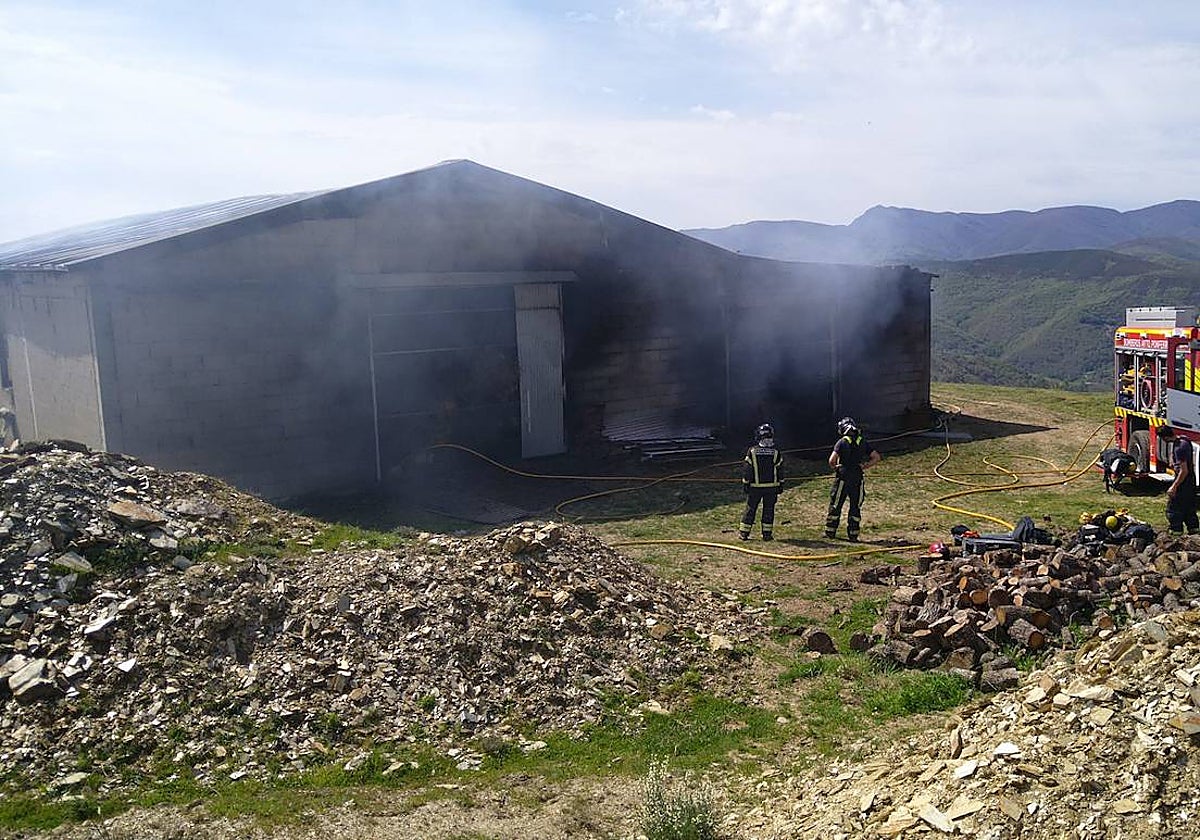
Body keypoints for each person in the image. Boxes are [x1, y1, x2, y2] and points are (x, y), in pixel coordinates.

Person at [824, 416, 881, 541]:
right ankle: (853, 534)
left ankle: (830, 532)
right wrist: (865, 466)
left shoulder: (842, 442)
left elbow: (831, 460)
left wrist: (836, 467)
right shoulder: (862, 441)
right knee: (855, 506)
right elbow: (876, 457)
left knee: (836, 504)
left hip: (843, 477)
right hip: (857, 477)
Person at [739, 423, 783, 541]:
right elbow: (780, 470)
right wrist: (781, 484)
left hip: (755, 487)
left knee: (750, 509)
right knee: (769, 510)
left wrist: (745, 483)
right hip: (771, 487)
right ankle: (767, 534)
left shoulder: (752, 451)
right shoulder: (776, 452)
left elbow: (747, 469)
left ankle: (744, 533)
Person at [1159, 426, 1198, 535]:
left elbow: (1183, 471)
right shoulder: (1184, 440)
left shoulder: (1179, 448)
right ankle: (1194, 530)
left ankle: (1176, 531)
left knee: (1174, 508)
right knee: (1189, 506)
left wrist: (1174, 486)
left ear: (1165, 437)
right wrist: (1172, 458)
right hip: (1191, 480)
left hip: (1183, 480)